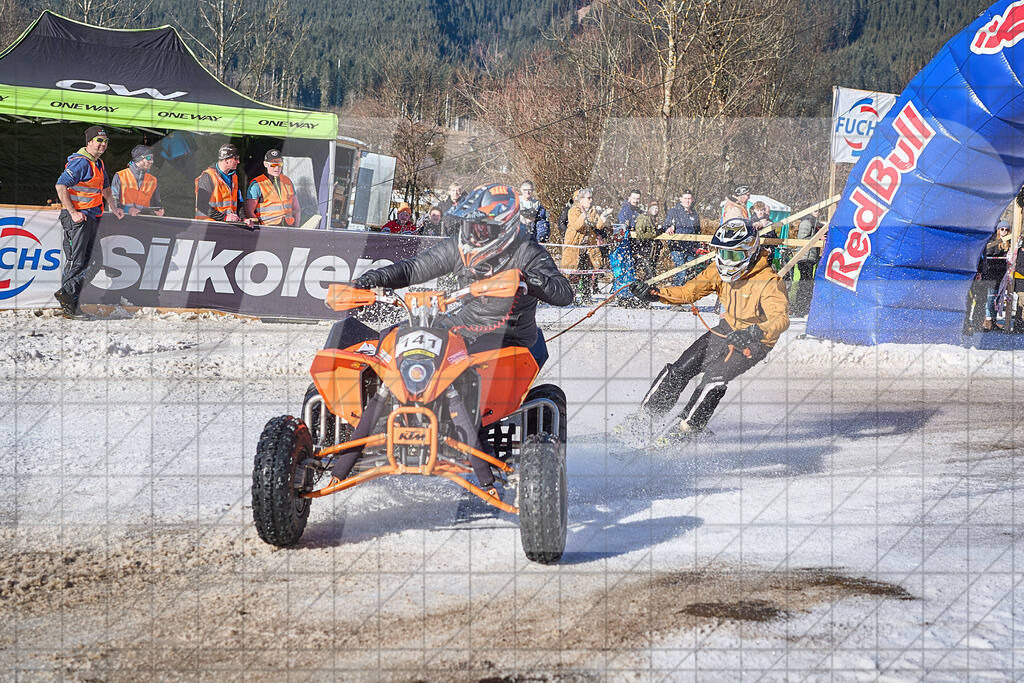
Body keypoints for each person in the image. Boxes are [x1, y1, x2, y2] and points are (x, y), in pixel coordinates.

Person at [329, 183, 573, 496]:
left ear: (506, 227)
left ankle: (476, 452)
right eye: (470, 225)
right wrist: (370, 280)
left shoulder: (527, 252)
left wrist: (530, 280)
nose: (474, 233)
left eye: (482, 227)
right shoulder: (460, 245)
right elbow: (415, 268)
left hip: (508, 334)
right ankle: (373, 427)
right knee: (397, 339)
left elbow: (564, 293)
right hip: (462, 324)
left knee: (462, 371)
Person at [628, 218, 790, 438]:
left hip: (755, 340)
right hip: (727, 328)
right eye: (721, 253)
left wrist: (756, 331)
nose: (725, 260)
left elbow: (781, 319)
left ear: (749, 251)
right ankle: (645, 417)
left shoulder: (769, 282)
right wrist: (655, 294)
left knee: (713, 379)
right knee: (680, 368)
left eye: (732, 255)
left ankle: (687, 428)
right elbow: (688, 292)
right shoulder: (717, 270)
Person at [53, 125, 125, 319]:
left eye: (106, 141)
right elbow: (60, 186)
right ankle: (70, 305)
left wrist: (113, 206)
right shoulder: (81, 162)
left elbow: (106, 189)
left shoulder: (98, 164)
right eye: (99, 141)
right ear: (89, 142)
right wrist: (73, 211)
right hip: (77, 219)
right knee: (77, 262)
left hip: (91, 218)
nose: (103, 144)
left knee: (95, 261)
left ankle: (67, 293)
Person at [560, 187, 613, 302]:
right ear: (581, 199)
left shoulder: (592, 210)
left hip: (588, 247)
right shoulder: (573, 210)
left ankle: (586, 296)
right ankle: (569, 297)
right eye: (588, 198)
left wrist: (603, 216)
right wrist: (584, 215)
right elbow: (577, 226)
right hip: (574, 246)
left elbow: (598, 226)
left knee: (587, 272)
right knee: (571, 273)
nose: (591, 200)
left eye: (591, 198)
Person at [195, 143, 252, 226]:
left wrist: (243, 218)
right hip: (208, 226)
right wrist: (224, 218)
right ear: (226, 160)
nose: (238, 162)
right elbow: (201, 205)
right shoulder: (208, 176)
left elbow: (239, 203)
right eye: (235, 159)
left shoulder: (234, 177)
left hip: (226, 226)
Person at [246, 149, 300, 227]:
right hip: (268, 229)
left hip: (288, 227)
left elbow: (297, 208)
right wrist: (259, 228)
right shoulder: (257, 184)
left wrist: (296, 228)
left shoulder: (287, 181)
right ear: (265, 164)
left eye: (280, 164)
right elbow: (250, 212)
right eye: (273, 165)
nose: (277, 168)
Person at [111, 145, 164, 217]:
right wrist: (128, 210)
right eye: (149, 158)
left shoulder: (153, 180)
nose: (152, 161)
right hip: (123, 219)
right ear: (139, 158)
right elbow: (112, 201)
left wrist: (159, 210)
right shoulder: (120, 175)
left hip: (144, 221)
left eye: (152, 158)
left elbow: (157, 203)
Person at [662, 189, 702, 285]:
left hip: (691, 248)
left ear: (692, 199)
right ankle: (676, 294)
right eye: (685, 198)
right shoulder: (674, 211)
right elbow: (665, 225)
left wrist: (698, 245)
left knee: (691, 272)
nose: (687, 201)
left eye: (689, 199)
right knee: (681, 273)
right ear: (680, 199)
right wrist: (668, 228)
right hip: (677, 247)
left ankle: (684, 295)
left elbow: (698, 231)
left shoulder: (694, 214)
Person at [792, 209, 824, 317]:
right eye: (815, 211)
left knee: (808, 281)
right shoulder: (807, 222)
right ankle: (801, 308)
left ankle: (805, 307)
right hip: (806, 256)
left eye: (818, 212)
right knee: (804, 282)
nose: (817, 213)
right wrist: (817, 238)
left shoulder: (815, 223)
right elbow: (803, 238)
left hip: (811, 256)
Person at [981, 221, 1012, 330]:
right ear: (998, 230)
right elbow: (987, 255)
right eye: (1002, 229)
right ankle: (987, 321)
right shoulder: (993, 240)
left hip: (1001, 275)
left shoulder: (1009, 242)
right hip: (990, 274)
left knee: (997, 298)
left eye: (1006, 229)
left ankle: (993, 320)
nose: (1004, 231)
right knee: (990, 299)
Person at [632, 200, 662, 280]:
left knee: (651, 273)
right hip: (643, 250)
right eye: (653, 208)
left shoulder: (656, 219)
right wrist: (654, 234)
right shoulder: (643, 218)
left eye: (657, 208)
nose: (655, 210)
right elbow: (640, 234)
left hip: (652, 251)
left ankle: (647, 289)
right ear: (649, 209)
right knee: (650, 273)